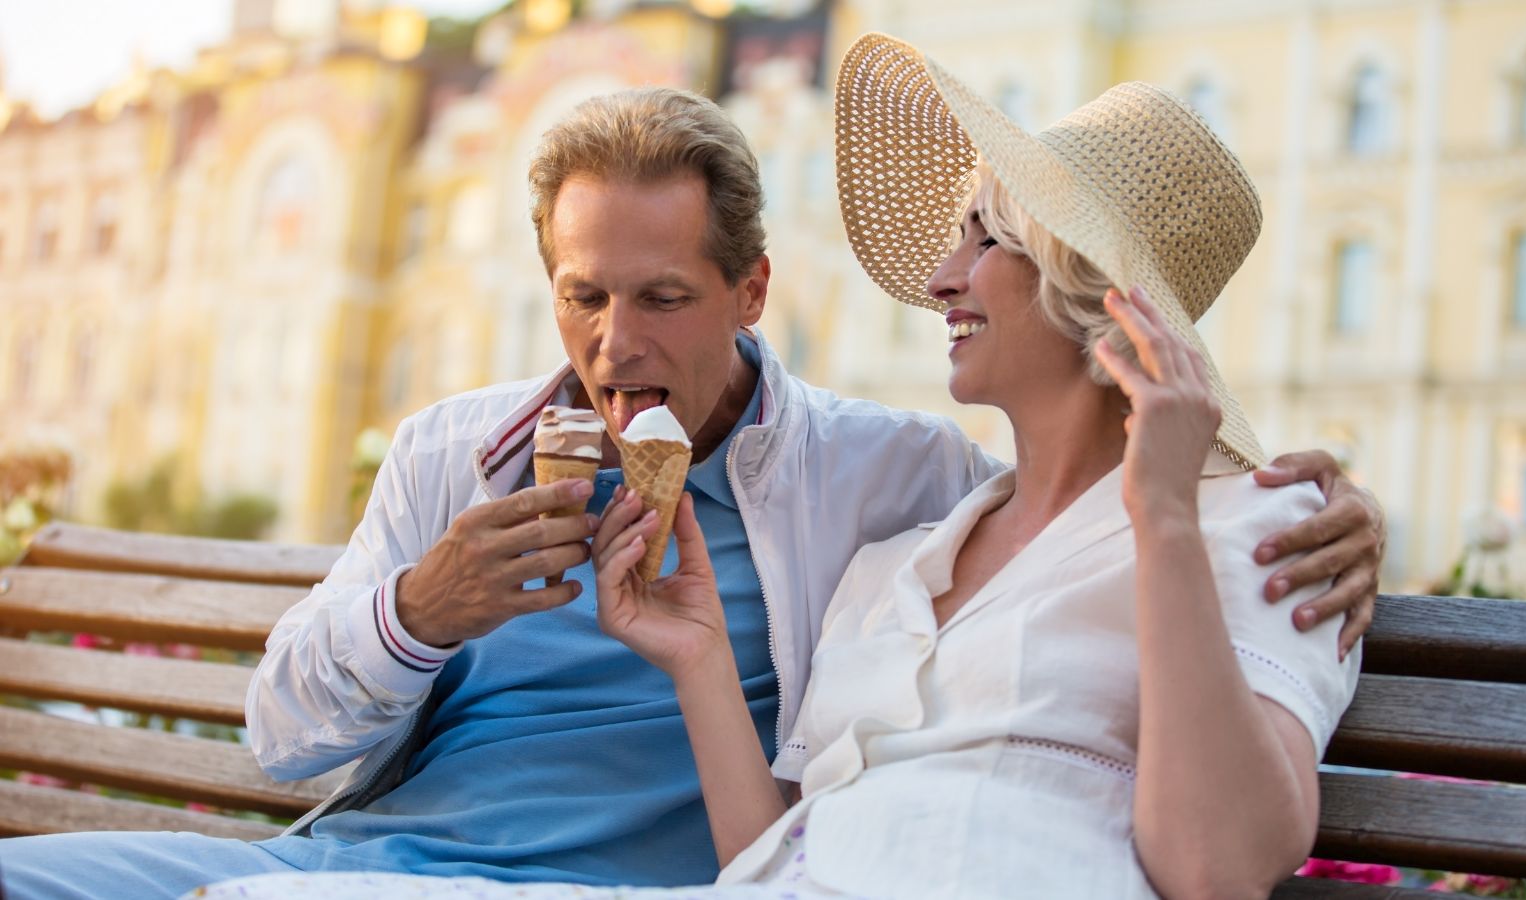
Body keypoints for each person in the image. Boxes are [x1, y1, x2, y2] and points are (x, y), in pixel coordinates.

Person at [0, 68, 1380, 900]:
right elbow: (278, 742)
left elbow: (1108, 511)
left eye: (663, 297)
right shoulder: (452, 456)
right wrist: (419, 610)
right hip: (357, 858)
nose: (616, 342)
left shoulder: (886, 480)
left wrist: (1301, 506)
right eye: (582, 297)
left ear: (752, 292)